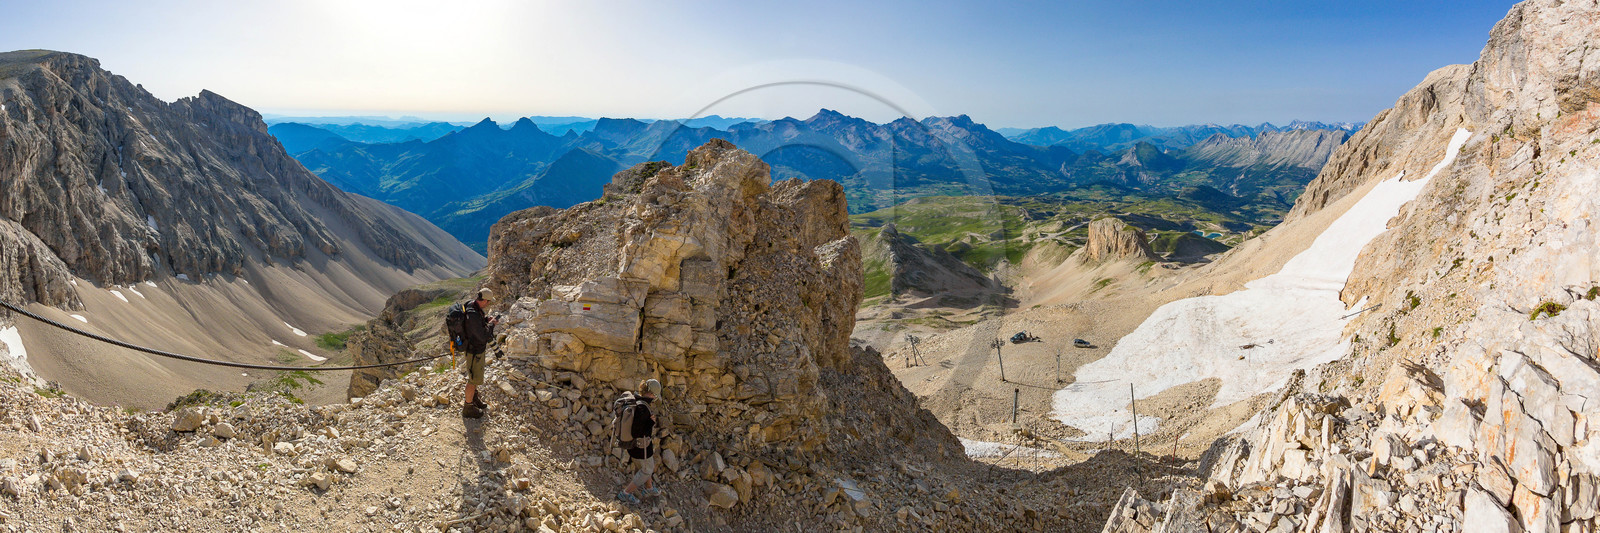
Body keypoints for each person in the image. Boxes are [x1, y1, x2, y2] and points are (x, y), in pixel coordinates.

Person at [450, 289, 499, 419]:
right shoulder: (473, 315)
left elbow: (476, 327)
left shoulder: (471, 305)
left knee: (475, 377)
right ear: (484, 300)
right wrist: (492, 324)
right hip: (474, 351)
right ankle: (468, 407)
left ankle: (474, 398)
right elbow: (482, 336)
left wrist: (486, 320)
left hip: (475, 350)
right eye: (488, 302)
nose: (488, 304)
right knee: (472, 380)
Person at [617, 378, 661, 504]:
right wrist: (650, 422)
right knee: (647, 470)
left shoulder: (637, 401)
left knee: (643, 467)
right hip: (642, 448)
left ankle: (649, 488)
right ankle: (625, 493)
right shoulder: (643, 408)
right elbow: (638, 432)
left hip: (634, 446)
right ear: (652, 394)